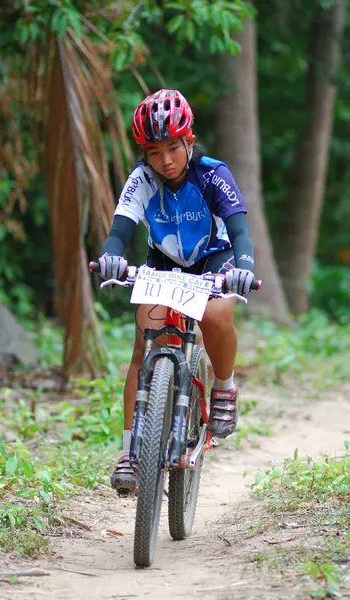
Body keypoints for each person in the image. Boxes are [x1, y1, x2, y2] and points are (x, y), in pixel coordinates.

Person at [97, 89, 255, 494]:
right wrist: (112, 256)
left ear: (189, 140)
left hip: (214, 260)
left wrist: (245, 267)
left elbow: (238, 228)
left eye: (172, 148)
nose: (165, 160)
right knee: (144, 338)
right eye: (153, 151)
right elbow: (120, 230)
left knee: (216, 316)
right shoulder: (143, 180)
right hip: (163, 265)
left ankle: (223, 387)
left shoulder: (212, 172)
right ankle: (131, 451)